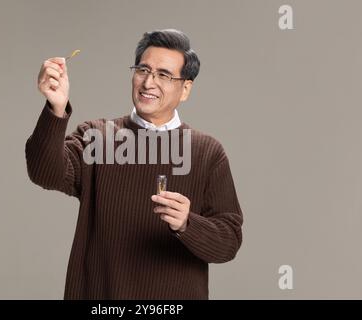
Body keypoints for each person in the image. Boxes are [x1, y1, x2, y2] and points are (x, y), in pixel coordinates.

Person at [25, 29, 243, 299]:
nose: (149, 82)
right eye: (143, 70)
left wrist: (188, 223)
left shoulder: (207, 153)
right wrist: (56, 109)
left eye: (163, 75)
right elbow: (44, 172)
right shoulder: (97, 137)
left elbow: (229, 242)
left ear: (185, 88)